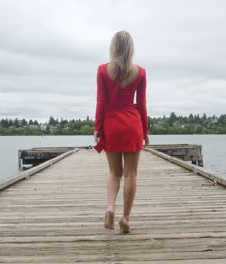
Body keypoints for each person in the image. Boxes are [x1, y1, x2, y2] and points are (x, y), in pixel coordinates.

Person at [93, 30, 149, 234]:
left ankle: (110, 207)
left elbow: (101, 102)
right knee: (131, 174)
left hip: (112, 124)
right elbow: (141, 105)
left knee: (114, 173)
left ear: (113, 47)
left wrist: (97, 127)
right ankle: (125, 219)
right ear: (131, 48)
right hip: (133, 124)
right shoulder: (140, 72)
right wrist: (145, 130)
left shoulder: (101, 71)